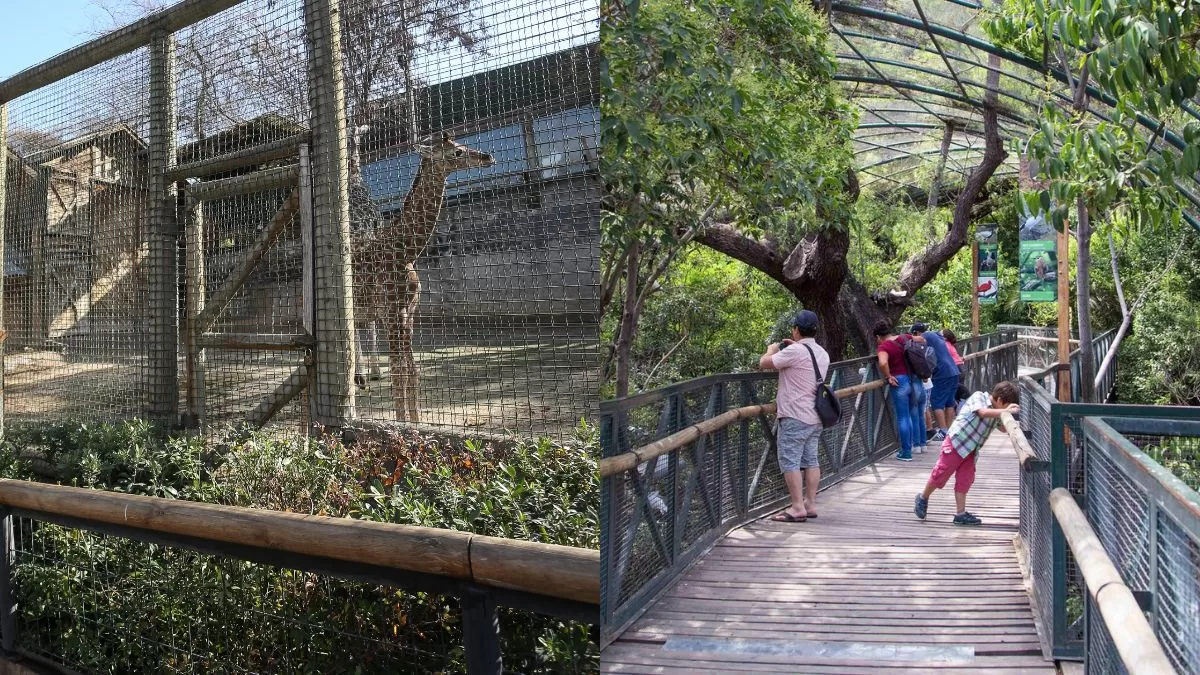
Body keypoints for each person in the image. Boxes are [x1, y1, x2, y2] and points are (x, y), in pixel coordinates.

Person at [913, 381, 1020, 525]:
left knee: (965, 479)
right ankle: (923, 497)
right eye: (1006, 406)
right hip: (956, 443)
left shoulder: (998, 412)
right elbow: (981, 412)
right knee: (941, 474)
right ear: (1000, 400)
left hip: (971, 450)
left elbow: (1003, 428)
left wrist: (1014, 422)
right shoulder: (979, 397)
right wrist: (1005, 412)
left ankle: (960, 514)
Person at [759, 310, 830, 523]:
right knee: (811, 460)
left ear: (796, 329)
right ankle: (810, 503)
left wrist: (770, 350)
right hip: (815, 416)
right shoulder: (822, 353)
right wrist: (794, 347)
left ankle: (797, 507)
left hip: (794, 415)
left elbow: (764, 363)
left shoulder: (795, 352)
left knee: (790, 461)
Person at [874, 321, 924, 462]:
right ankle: (917, 444)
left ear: (878, 337)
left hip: (899, 382)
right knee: (911, 413)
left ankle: (906, 452)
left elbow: (883, 363)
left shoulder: (884, 346)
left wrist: (888, 376)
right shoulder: (905, 337)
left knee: (903, 417)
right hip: (912, 379)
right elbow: (921, 339)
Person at [914, 323, 960, 443]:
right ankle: (949, 431)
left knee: (937, 402)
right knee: (949, 402)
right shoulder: (937, 335)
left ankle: (943, 431)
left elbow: (917, 342)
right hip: (954, 370)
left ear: (917, 333)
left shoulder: (925, 336)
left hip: (942, 373)